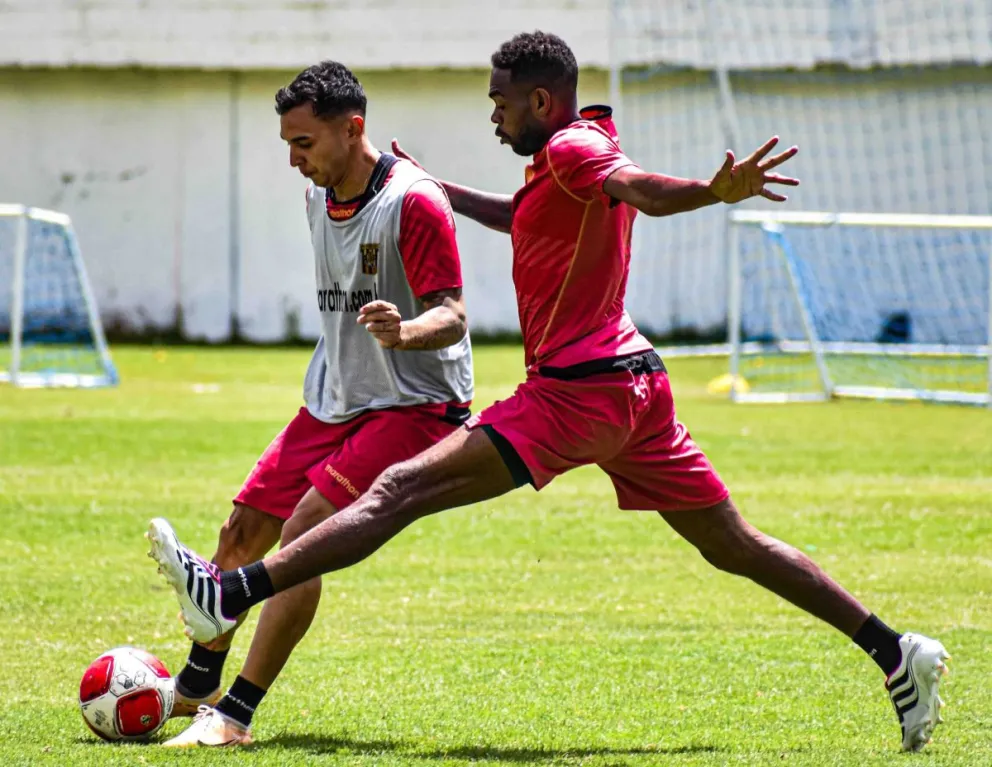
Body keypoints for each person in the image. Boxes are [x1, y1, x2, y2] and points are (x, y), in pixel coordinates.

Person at [148, 33, 949, 752]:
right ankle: (893, 649)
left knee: (396, 490)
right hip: (639, 387)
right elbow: (528, 215)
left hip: (576, 393)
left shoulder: (572, 150)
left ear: (539, 98)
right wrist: (445, 186)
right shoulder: (566, 155)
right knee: (733, 544)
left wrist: (713, 191)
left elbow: (638, 190)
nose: (493, 115)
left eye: (499, 101)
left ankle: (232, 590)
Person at [158, 59, 474, 747]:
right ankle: (198, 682)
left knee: (300, 540)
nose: (295, 160)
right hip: (336, 395)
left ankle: (234, 716)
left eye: (303, 144)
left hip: (413, 403)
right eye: (287, 146)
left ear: (351, 128)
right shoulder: (317, 197)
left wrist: (405, 329)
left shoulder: (412, 202)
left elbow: (453, 315)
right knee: (241, 531)